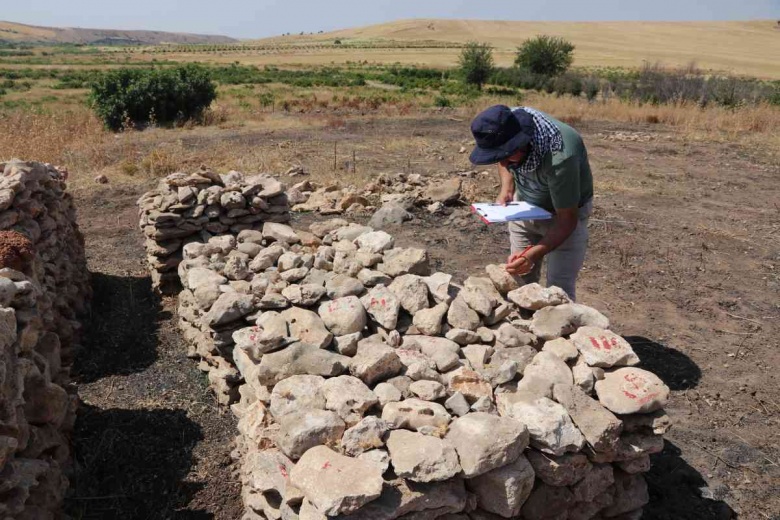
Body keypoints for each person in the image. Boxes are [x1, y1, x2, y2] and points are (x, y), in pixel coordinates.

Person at [469, 105, 593, 301]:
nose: (504, 163)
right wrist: (507, 189)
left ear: (522, 143)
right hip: (525, 208)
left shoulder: (560, 156)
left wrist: (532, 255)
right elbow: (503, 158)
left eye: (506, 155)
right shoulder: (505, 122)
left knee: (558, 291)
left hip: (566, 216)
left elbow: (567, 220)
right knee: (519, 283)